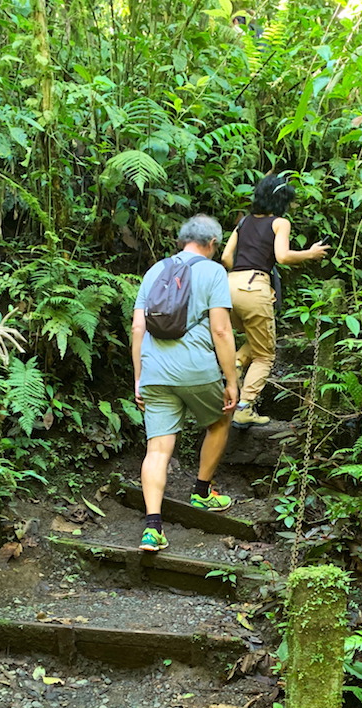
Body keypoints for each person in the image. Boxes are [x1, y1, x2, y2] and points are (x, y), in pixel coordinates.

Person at [132, 214, 239, 552]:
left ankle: (152, 528)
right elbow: (221, 330)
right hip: (195, 369)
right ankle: (202, 491)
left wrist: (139, 379)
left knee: (157, 449)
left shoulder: (154, 271)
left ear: (182, 241)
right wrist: (232, 380)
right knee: (221, 419)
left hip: (155, 371)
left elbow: (138, 328)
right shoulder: (213, 271)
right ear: (212, 243)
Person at [220, 175, 330, 426]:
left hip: (228, 286)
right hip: (254, 287)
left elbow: (226, 257)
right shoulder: (280, 223)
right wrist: (310, 253)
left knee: (254, 338)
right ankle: (245, 407)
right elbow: (281, 256)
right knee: (265, 356)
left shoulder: (244, 222)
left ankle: (236, 363)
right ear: (280, 200)